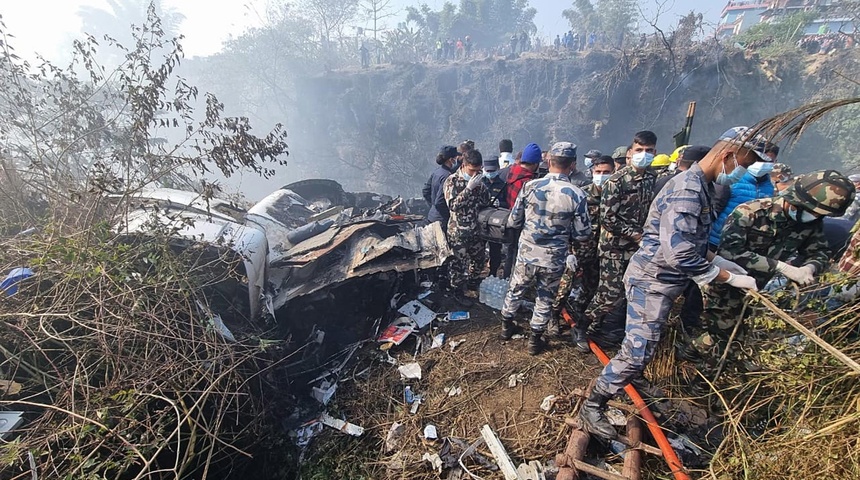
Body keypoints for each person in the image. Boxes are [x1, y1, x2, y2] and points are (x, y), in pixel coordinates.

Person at [578, 127, 764, 440]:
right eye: (743, 165)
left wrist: (721, 263)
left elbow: (692, 243)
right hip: (652, 281)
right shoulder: (687, 191)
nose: (741, 173)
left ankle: (625, 377)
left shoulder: (700, 186)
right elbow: (679, 254)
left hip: (661, 281)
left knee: (641, 347)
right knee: (638, 351)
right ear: (728, 156)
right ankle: (593, 404)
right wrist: (728, 277)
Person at [689, 170, 856, 362]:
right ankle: (701, 379)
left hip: (761, 289)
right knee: (725, 341)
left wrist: (809, 267)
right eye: (813, 212)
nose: (815, 217)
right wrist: (780, 267)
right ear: (797, 201)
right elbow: (730, 252)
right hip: (728, 285)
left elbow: (819, 252)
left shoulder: (810, 223)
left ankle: (694, 351)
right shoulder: (751, 212)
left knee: (738, 336)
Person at [500, 142, 592, 355]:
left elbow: (513, 221)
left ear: (548, 161)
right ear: (572, 165)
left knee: (516, 288)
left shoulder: (530, 187)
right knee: (545, 296)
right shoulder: (577, 194)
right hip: (554, 257)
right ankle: (534, 340)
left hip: (527, 252)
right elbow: (582, 234)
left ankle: (506, 327)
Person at [583, 131, 658, 348]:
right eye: (639, 150)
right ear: (630, 153)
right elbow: (608, 219)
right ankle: (582, 325)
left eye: (649, 151)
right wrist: (635, 234)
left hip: (637, 248)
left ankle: (605, 330)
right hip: (613, 247)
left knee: (629, 293)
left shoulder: (651, 179)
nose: (644, 155)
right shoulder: (616, 182)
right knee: (609, 294)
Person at [554, 155, 615, 338]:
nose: (602, 176)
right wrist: (569, 252)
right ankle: (553, 316)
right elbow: (566, 225)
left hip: (602, 253)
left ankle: (584, 317)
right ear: (592, 172)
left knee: (593, 288)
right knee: (563, 288)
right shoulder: (582, 195)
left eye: (606, 172)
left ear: (614, 173)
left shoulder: (615, 196)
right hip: (578, 251)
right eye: (598, 172)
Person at [708, 136, 776, 250]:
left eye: (768, 161)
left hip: (738, 245)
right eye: (760, 160)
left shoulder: (769, 187)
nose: (763, 164)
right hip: (714, 240)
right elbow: (715, 208)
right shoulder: (731, 178)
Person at [443, 149, 491, 307]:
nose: (475, 174)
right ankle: (457, 292)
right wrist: (468, 189)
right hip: (458, 232)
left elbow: (484, 202)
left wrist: (483, 189)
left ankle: (472, 284)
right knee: (458, 265)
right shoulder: (452, 181)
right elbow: (453, 205)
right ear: (464, 165)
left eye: (478, 170)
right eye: (472, 170)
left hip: (476, 231)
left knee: (478, 261)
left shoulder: (479, 182)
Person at [502, 143, 542, 278]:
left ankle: (506, 277)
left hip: (508, 219)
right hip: (522, 224)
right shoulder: (530, 182)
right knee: (519, 255)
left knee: (509, 253)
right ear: (535, 163)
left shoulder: (511, 172)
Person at [423, 145, 460, 226]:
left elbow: (425, 191)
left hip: (432, 216)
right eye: (455, 157)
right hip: (442, 220)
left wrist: (433, 206)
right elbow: (439, 202)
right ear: (451, 160)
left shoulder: (437, 172)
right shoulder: (448, 177)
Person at [483, 155, 507, 276]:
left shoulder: (503, 184)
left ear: (497, 168)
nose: (490, 173)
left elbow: (508, 204)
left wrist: (500, 203)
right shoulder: (481, 183)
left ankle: (492, 272)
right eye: (488, 171)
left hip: (494, 224)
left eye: (492, 171)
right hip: (481, 221)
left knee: (495, 250)